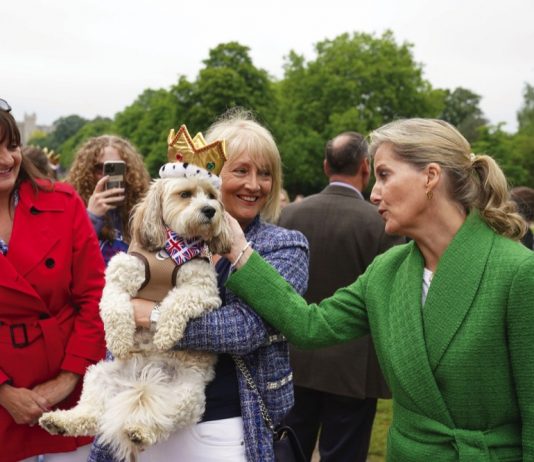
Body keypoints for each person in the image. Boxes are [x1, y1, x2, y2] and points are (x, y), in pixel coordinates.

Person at [223, 118, 534, 461]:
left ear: (430, 177)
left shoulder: (518, 272)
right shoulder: (387, 271)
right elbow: (309, 326)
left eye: (384, 175)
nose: (373, 193)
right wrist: (240, 251)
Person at [88, 108, 309, 462]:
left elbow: (242, 330)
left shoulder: (284, 246)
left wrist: (152, 314)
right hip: (141, 413)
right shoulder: (163, 236)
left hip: (226, 425)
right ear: (210, 175)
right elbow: (124, 313)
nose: (255, 185)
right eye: (241, 171)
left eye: (265, 174)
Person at [278, 131, 404, 461]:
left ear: (324, 167)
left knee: (289, 447)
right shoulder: (381, 223)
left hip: (295, 358)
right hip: (354, 366)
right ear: (366, 167)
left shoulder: (289, 215)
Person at [0, 101, 106, 461]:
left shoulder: (63, 202)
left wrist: (69, 377)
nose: (5, 160)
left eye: (11, 146)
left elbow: (95, 296)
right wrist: (4, 392)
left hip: (69, 396)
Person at [65, 135, 150, 265]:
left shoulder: (143, 209)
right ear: (86, 171)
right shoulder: (70, 206)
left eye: (117, 168)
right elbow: (64, 257)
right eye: (99, 168)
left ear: (129, 171)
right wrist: (92, 217)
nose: (106, 175)